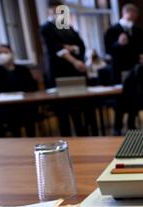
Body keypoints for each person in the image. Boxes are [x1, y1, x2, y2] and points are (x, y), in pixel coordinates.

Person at [40, 0, 94, 136]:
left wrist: (71, 48)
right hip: (59, 73)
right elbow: (56, 48)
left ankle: (82, 136)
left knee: (78, 109)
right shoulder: (46, 28)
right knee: (63, 111)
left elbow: (80, 46)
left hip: (74, 73)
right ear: (50, 11)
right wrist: (74, 59)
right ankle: (67, 138)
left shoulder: (69, 28)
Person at [0, 44, 38, 137]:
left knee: (29, 113)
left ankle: (31, 139)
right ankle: (16, 138)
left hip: (24, 103)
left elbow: (31, 87)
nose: (2, 55)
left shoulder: (23, 69)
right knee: (10, 115)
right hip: (6, 106)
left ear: (11, 53)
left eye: (5, 52)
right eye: (0, 53)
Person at [105, 3, 143, 83]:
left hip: (135, 66)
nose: (135, 16)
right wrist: (118, 44)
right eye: (132, 13)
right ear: (125, 13)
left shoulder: (137, 30)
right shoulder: (112, 30)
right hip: (119, 68)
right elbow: (108, 50)